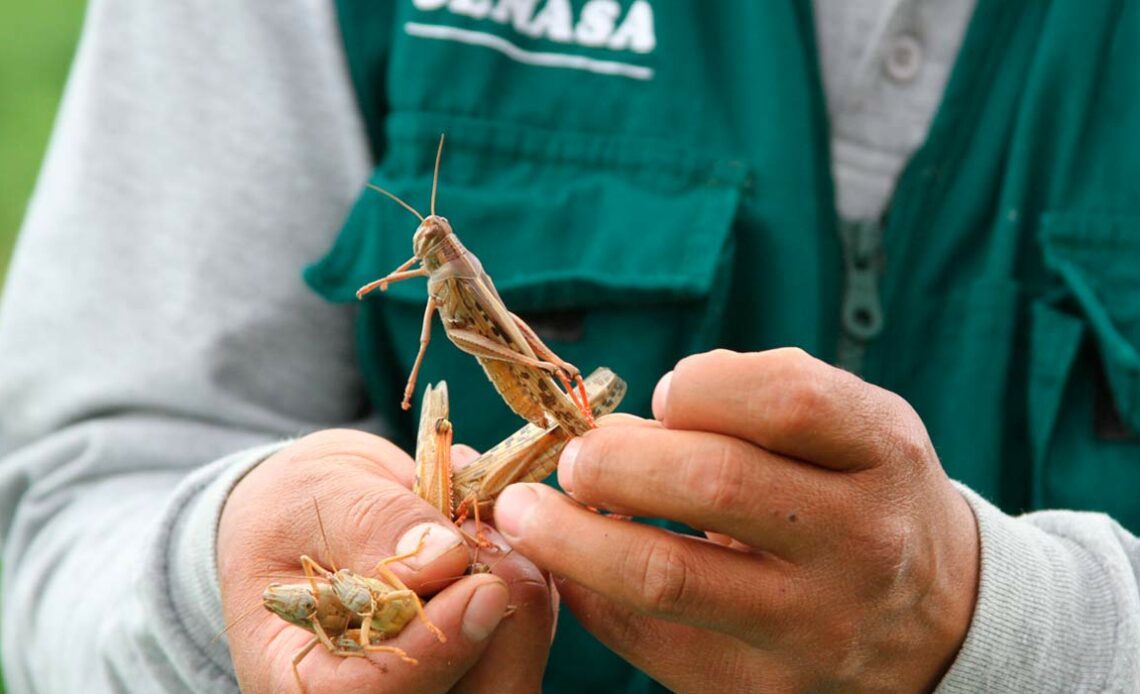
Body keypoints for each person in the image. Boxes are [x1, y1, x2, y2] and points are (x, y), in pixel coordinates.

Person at [1, 1, 1138, 691]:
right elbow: (79, 484)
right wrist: (221, 573)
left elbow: (479, 326)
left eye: (433, 241)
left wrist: (1007, 632)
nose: (427, 248)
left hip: (543, 384)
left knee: (552, 399)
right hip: (474, 498)